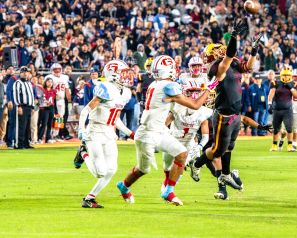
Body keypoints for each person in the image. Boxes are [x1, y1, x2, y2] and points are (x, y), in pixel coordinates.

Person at [115, 55, 217, 206]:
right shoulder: (168, 86)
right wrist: (209, 88)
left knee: (182, 154)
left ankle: (168, 191)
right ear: (167, 70)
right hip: (148, 133)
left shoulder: (155, 84)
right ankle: (124, 186)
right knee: (143, 169)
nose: (175, 71)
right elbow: (195, 105)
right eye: (172, 68)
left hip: (157, 130)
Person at [191, 19, 257, 200]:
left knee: (228, 148)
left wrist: (254, 52)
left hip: (235, 113)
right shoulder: (216, 67)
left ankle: (225, 178)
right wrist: (234, 36)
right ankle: (197, 164)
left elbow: (248, 67)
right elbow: (229, 56)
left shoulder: (233, 64)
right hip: (222, 113)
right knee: (218, 150)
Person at [74, 60, 135, 208]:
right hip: (95, 131)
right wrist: (81, 129)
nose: (126, 76)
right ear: (112, 75)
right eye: (123, 73)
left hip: (109, 132)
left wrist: (130, 133)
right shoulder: (105, 87)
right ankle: (83, 153)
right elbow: (86, 110)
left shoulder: (125, 92)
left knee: (111, 169)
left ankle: (89, 198)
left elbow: (115, 118)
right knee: (100, 172)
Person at [167, 81, 213, 183]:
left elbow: (205, 137)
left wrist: (199, 147)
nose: (194, 95)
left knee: (180, 166)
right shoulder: (177, 108)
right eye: (190, 92)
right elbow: (163, 125)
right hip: (174, 140)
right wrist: (169, 134)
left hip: (190, 142)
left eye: (197, 92)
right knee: (168, 168)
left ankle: (169, 189)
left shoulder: (203, 111)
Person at [268, 66, 297, 152]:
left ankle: (289, 146)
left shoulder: (294, 84)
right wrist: (269, 104)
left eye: (287, 75)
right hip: (277, 109)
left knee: (289, 128)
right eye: (284, 75)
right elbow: (271, 93)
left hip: (287, 110)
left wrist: (291, 88)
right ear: (281, 75)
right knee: (276, 128)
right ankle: (274, 145)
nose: (285, 77)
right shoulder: (275, 82)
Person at [45, 63, 72, 141]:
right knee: (53, 118)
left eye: (58, 69)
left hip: (62, 100)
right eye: (55, 69)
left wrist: (69, 101)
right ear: (52, 70)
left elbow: (67, 89)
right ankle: (50, 135)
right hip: (52, 100)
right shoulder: (49, 77)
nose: (57, 71)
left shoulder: (65, 77)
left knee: (60, 118)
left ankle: (56, 135)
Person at [13, 66, 35, 149]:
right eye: (23, 72)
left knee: (27, 126)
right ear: (20, 73)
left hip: (29, 107)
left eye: (26, 72)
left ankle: (26, 143)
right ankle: (19, 144)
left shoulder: (29, 83)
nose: (25, 73)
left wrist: (32, 107)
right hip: (22, 106)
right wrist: (18, 106)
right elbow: (16, 95)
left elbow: (31, 95)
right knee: (21, 126)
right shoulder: (17, 83)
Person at [38, 77, 56, 144]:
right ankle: (39, 138)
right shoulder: (42, 90)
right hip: (44, 108)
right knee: (44, 124)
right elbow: (41, 99)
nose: (50, 83)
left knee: (49, 124)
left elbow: (54, 101)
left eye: (51, 82)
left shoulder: (54, 91)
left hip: (51, 108)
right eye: (48, 82)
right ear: (45, 82)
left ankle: (48, 138)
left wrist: (55, 111)